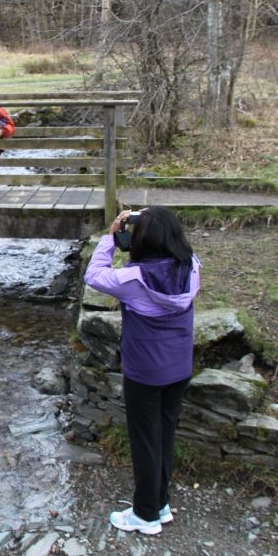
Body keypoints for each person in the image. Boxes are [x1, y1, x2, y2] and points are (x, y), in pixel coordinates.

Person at [83, 206, 201, 536]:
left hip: (145, 372)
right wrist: (155, 218)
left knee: (145, 442)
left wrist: (111, 237)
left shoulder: (133, 279)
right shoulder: (191, 267)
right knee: (164, 436)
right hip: (179, 367)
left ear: (144, 238)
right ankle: (159, 504)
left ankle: (145, 515)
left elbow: (93, 275)